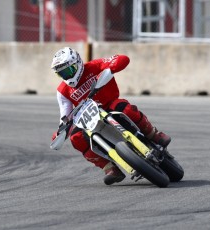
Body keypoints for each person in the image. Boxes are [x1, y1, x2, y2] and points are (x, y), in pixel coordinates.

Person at [51, 47, 171, 185]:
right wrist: (60, 133)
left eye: (68, 70)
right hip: (89, 119)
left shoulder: (94, 65)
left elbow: (123, 59)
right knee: (76, 138)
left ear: (77, 62)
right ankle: (109, 168)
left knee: (126, 108)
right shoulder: (62, 91)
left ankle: (153, 134)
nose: (66, 75)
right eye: (61, 73)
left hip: (109, 104)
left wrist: (112, 66)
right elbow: (65, 116)